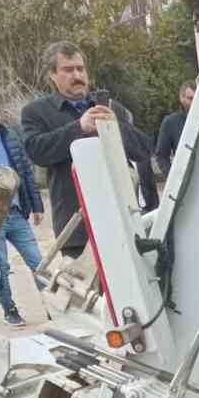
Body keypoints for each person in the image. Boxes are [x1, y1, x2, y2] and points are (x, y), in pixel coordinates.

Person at [20, 41, 151, 258]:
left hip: (120, 222)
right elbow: (37, 151)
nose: (77, 75)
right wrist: (79, 127)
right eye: (68, 70)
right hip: (77, 231)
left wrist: (115, 128)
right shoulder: (35, 112)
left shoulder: (108, 107)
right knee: (86, 292)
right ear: (52, 75)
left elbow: (145, 150)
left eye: (80, 69)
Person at [0, 92, 43, 327]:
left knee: (38, 262)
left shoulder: (9, 136)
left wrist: (37, 205)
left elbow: (26, 171)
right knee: (2, 266)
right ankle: (10, 310)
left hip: (18, 213)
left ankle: (52, 305)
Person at [155, 80, 195, 175]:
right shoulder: (170, 122)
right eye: (190, 98)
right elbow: (161, 156)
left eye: (197, 98)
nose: (194, 102)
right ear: (181, 98)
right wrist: (173, 178)